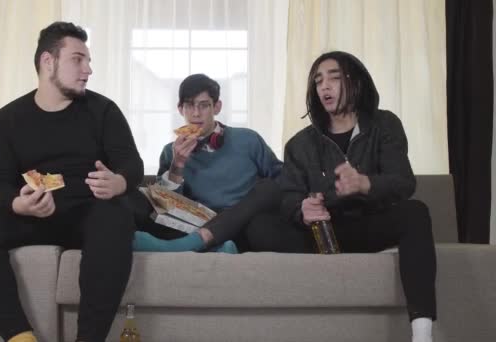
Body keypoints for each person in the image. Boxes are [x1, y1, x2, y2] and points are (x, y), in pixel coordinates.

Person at [0, 22, 143, 342]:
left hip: (91, 213)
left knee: (116, 216)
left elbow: (131, 163)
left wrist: (119, 182)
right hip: (36, 215)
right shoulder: (6, 120)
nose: (88, 70)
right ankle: (21, 337)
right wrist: (19, 203)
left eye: (88, 61)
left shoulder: (103, 111)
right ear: (48, 61)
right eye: (78, 59)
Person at [257, 51, 436, 342]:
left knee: (415, 212)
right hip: (321, 232)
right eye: (318, 81)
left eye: (334, 78)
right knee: (259, 226)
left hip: (368, 226)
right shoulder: (300, 144)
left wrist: (364, 183)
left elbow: (403, 182)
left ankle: (422, 333)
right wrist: (303, 209)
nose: (324, 86)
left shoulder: (385, 125)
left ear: (357, 84)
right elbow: (288, 196)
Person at [132, 74, 283, 253]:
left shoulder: (248, 139)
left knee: (267, 189)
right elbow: (166, 207)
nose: (196, 113)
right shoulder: (170, 151)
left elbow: (280, 178)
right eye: (189, 105)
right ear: (180, 109)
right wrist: (177, 165)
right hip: (197, 223)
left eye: (204, 105)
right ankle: (216, 247)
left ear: (217, 107)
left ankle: (194, 245)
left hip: (244, 223)